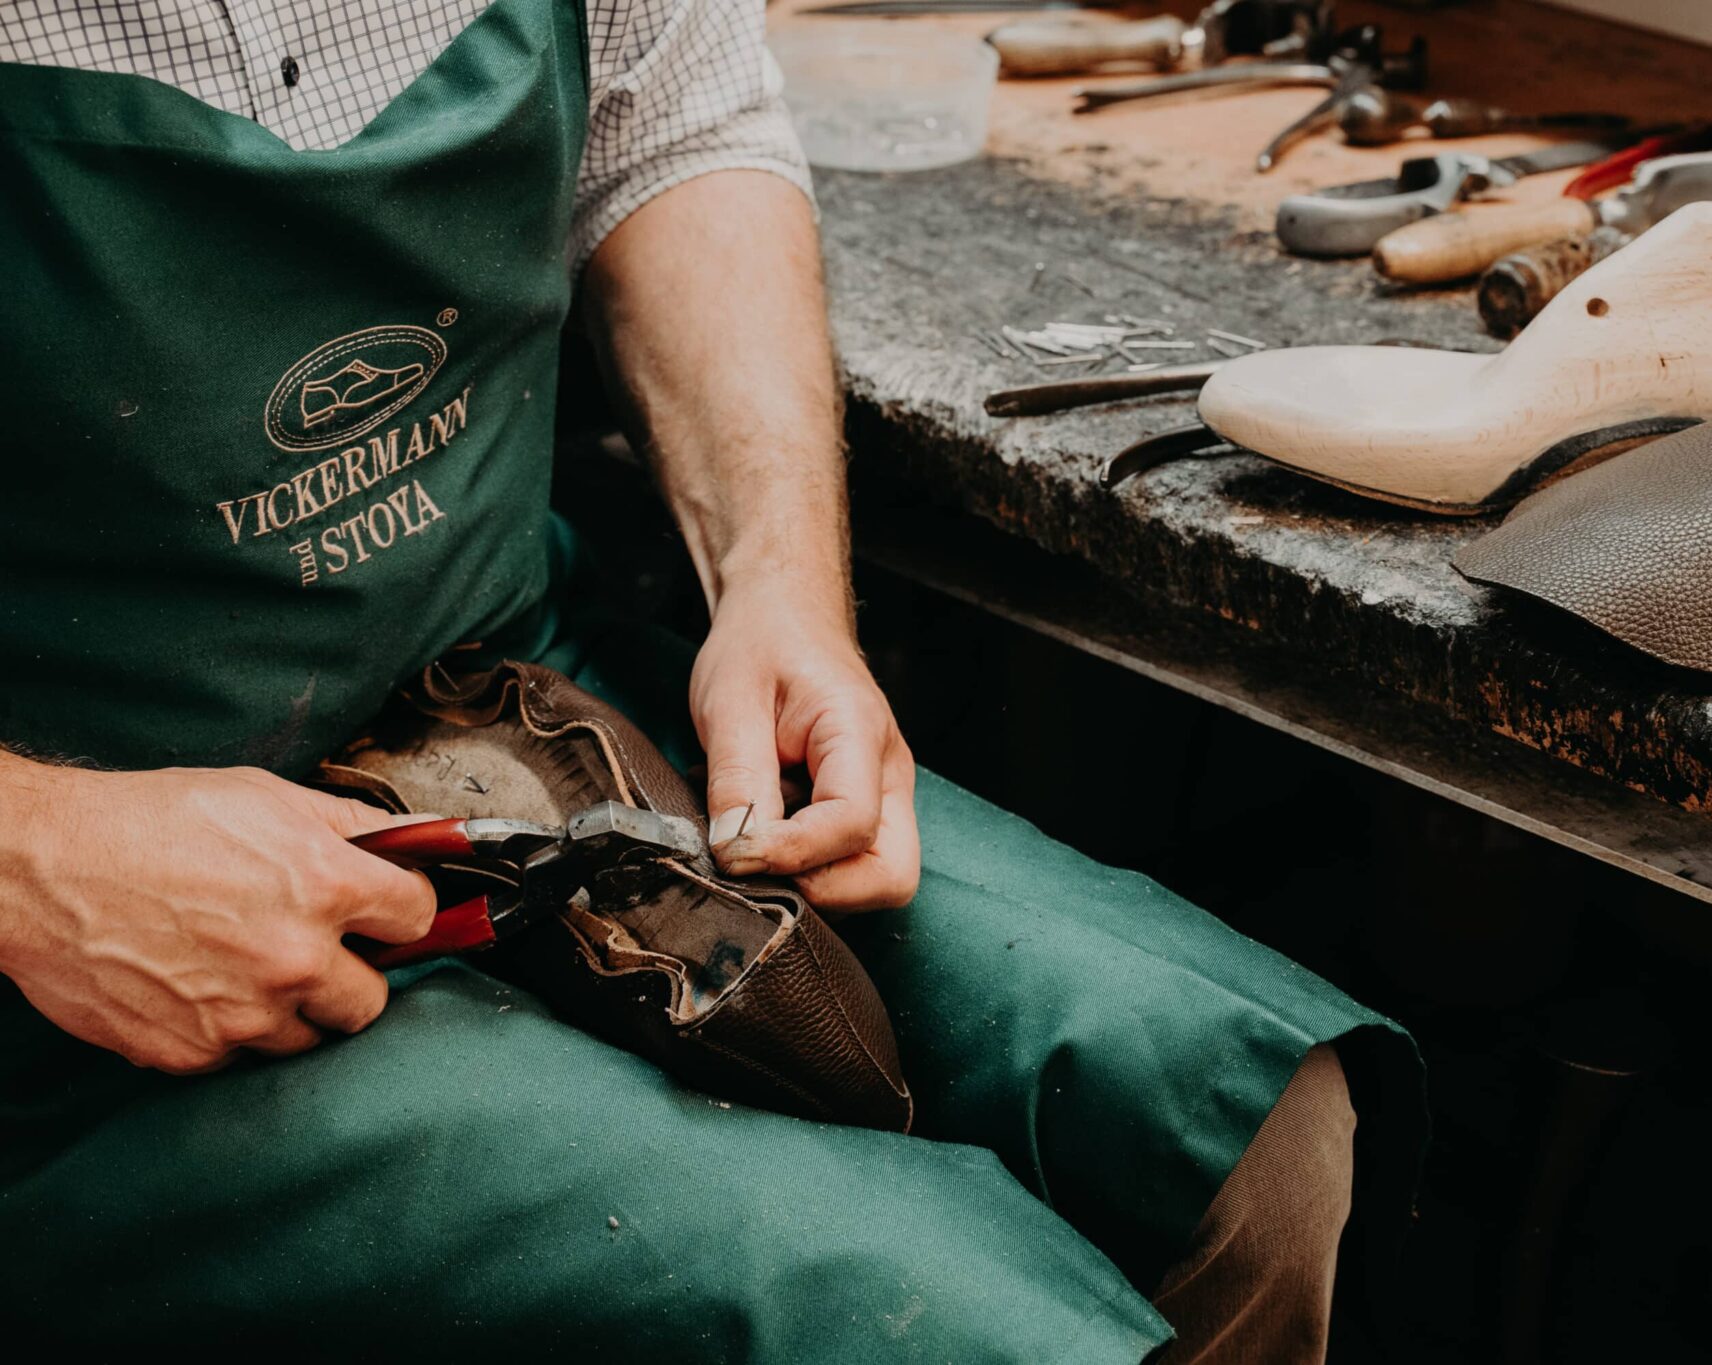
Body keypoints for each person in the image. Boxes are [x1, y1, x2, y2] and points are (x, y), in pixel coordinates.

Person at [0, 2, 1425, 1357]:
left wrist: (780, 583)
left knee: (1256, 1134)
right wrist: (43, 853)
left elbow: (674, 132)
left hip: (510, 717)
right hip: (88, 934)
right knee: (939, 1318)